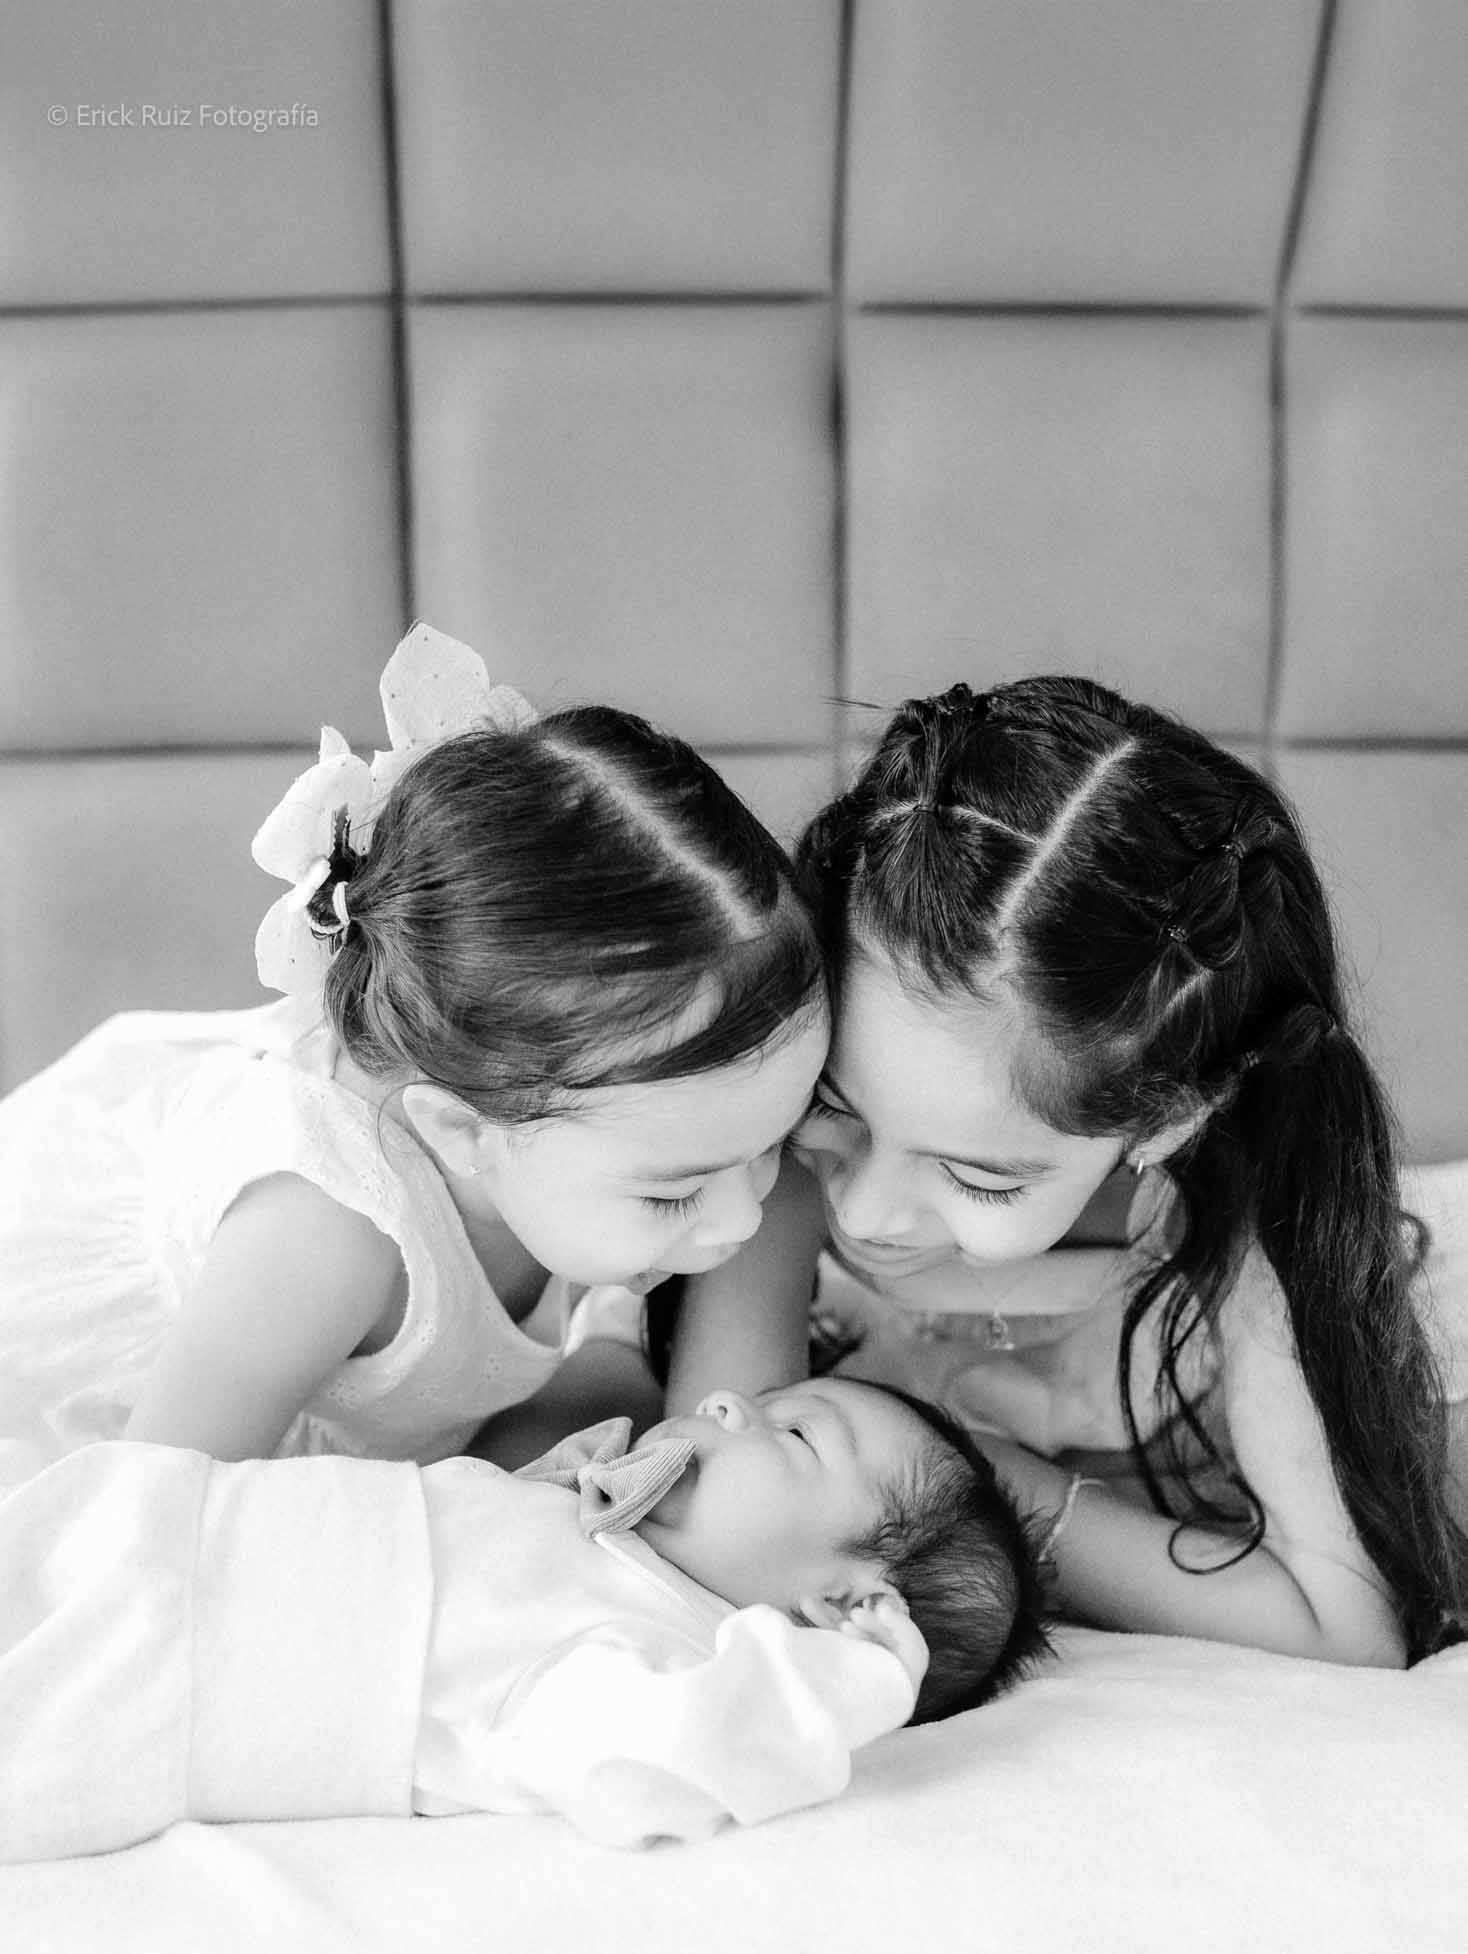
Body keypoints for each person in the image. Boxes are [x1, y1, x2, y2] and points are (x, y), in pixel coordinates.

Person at [664, 676, 1468, 1668]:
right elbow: (711, 1506)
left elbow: (1347, 1631)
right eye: (836, 1106)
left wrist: (970, 1483)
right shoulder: (777, 1150)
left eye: (982, 1179)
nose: (866, 1210)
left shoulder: (1247, 1231)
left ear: (1168, 1119)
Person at [0, 625, 827, 1467]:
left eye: (770, 1146)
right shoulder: (320, 1237)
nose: (746, 1215)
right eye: (673, 1195)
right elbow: (149, 1508)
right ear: (463, 1131)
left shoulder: (595, 1135)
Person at [0, 1375, 1049, 1860]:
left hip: (160, 1682)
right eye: (770, 1397)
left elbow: (663, 1760)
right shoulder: (605, 1540)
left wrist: (851, 1683)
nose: (732, 1402)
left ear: (844, 1604)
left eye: (794, 1434)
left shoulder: (646, 1654)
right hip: (162, 1529)